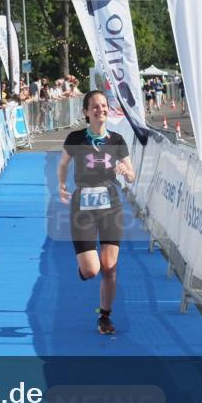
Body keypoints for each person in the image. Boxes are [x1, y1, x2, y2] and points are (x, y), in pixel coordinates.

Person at [57, 90, 135, 335]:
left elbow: (131, 175)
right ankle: (84, 268)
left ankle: (104, 317)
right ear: (86, 112)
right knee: (92, 271)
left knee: (110, 267)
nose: (100, 109)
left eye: (103, 105)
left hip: (110, 204)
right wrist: (61, 186)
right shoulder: (76, 138)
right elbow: (63, 164)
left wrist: (125, 170)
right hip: (83, 206)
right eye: (95, 106)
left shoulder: (117, 140)